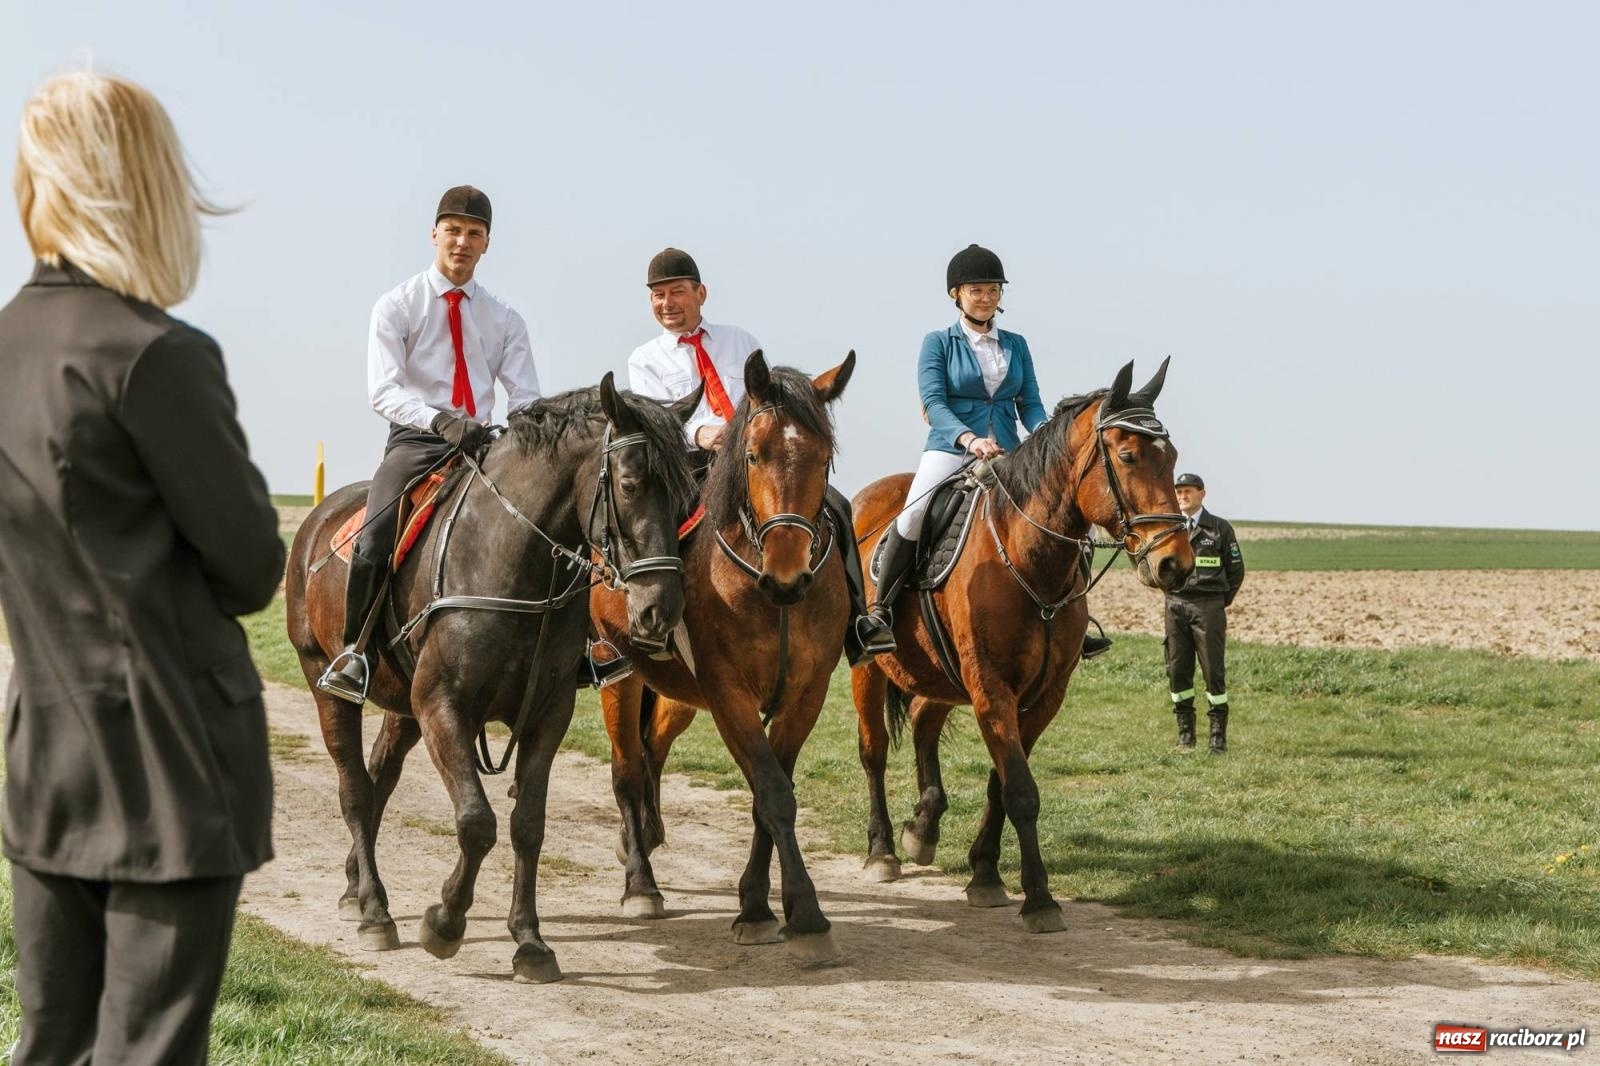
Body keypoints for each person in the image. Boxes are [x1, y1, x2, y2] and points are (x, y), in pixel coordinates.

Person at [0, 71, 284, 1064]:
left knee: (53, 1045)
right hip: (172, 763)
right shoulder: (154, 354)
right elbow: (251, 565)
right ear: (144, 186)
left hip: (46, 762)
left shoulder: (5, 349)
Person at [316, 185, 542, 702]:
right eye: (454, 231)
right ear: (434, 234)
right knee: (373, 536)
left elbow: (525, 395)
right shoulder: (397, 304)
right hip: (417, 440)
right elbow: (383, 391)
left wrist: (527, 435)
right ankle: (357, 653)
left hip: (485, 444)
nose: (462, 241)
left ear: (487, 244)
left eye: (475, 234)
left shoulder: (506, 318)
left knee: (544, 518)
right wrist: (440, 421)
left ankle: (566, 649)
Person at [626, 247, 895, 665]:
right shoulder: (644, 359)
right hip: (690, 463)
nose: (667, 304)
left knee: (836, 506)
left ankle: (860, 623)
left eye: (676, 292)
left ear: (701, 293)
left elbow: (765, 398)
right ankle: (658, 624)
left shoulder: (741, 340)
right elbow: (657, 420)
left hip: (754, 458)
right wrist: (702, 432)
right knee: (657, 523)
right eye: (658, 296)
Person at [865, 244, 1114, 659]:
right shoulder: (938, 343)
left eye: (993, 290)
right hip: (952, 448)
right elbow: (934, 403)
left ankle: (1074, 617)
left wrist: (1048, 440)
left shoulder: (1016, 344)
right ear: (956, 295)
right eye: (977, 290)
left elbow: (1030, 403)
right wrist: (969, 439)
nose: (986, 297)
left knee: (1066, 517)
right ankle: (880, 612)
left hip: (1010, 453)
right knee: (911, 515)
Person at [1164, 472, 1245, 752]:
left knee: (1213, 671)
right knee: (1177, 671)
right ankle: (1185, 735)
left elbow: (1236, 571)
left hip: (1209, 606)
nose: (1183, 496)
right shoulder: (1170, 527)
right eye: (1179, 492)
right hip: (1175, 604)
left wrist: (1219, 600)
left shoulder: (1219, 528)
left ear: (1202, 494)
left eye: (1188, 491)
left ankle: (1217, 737)